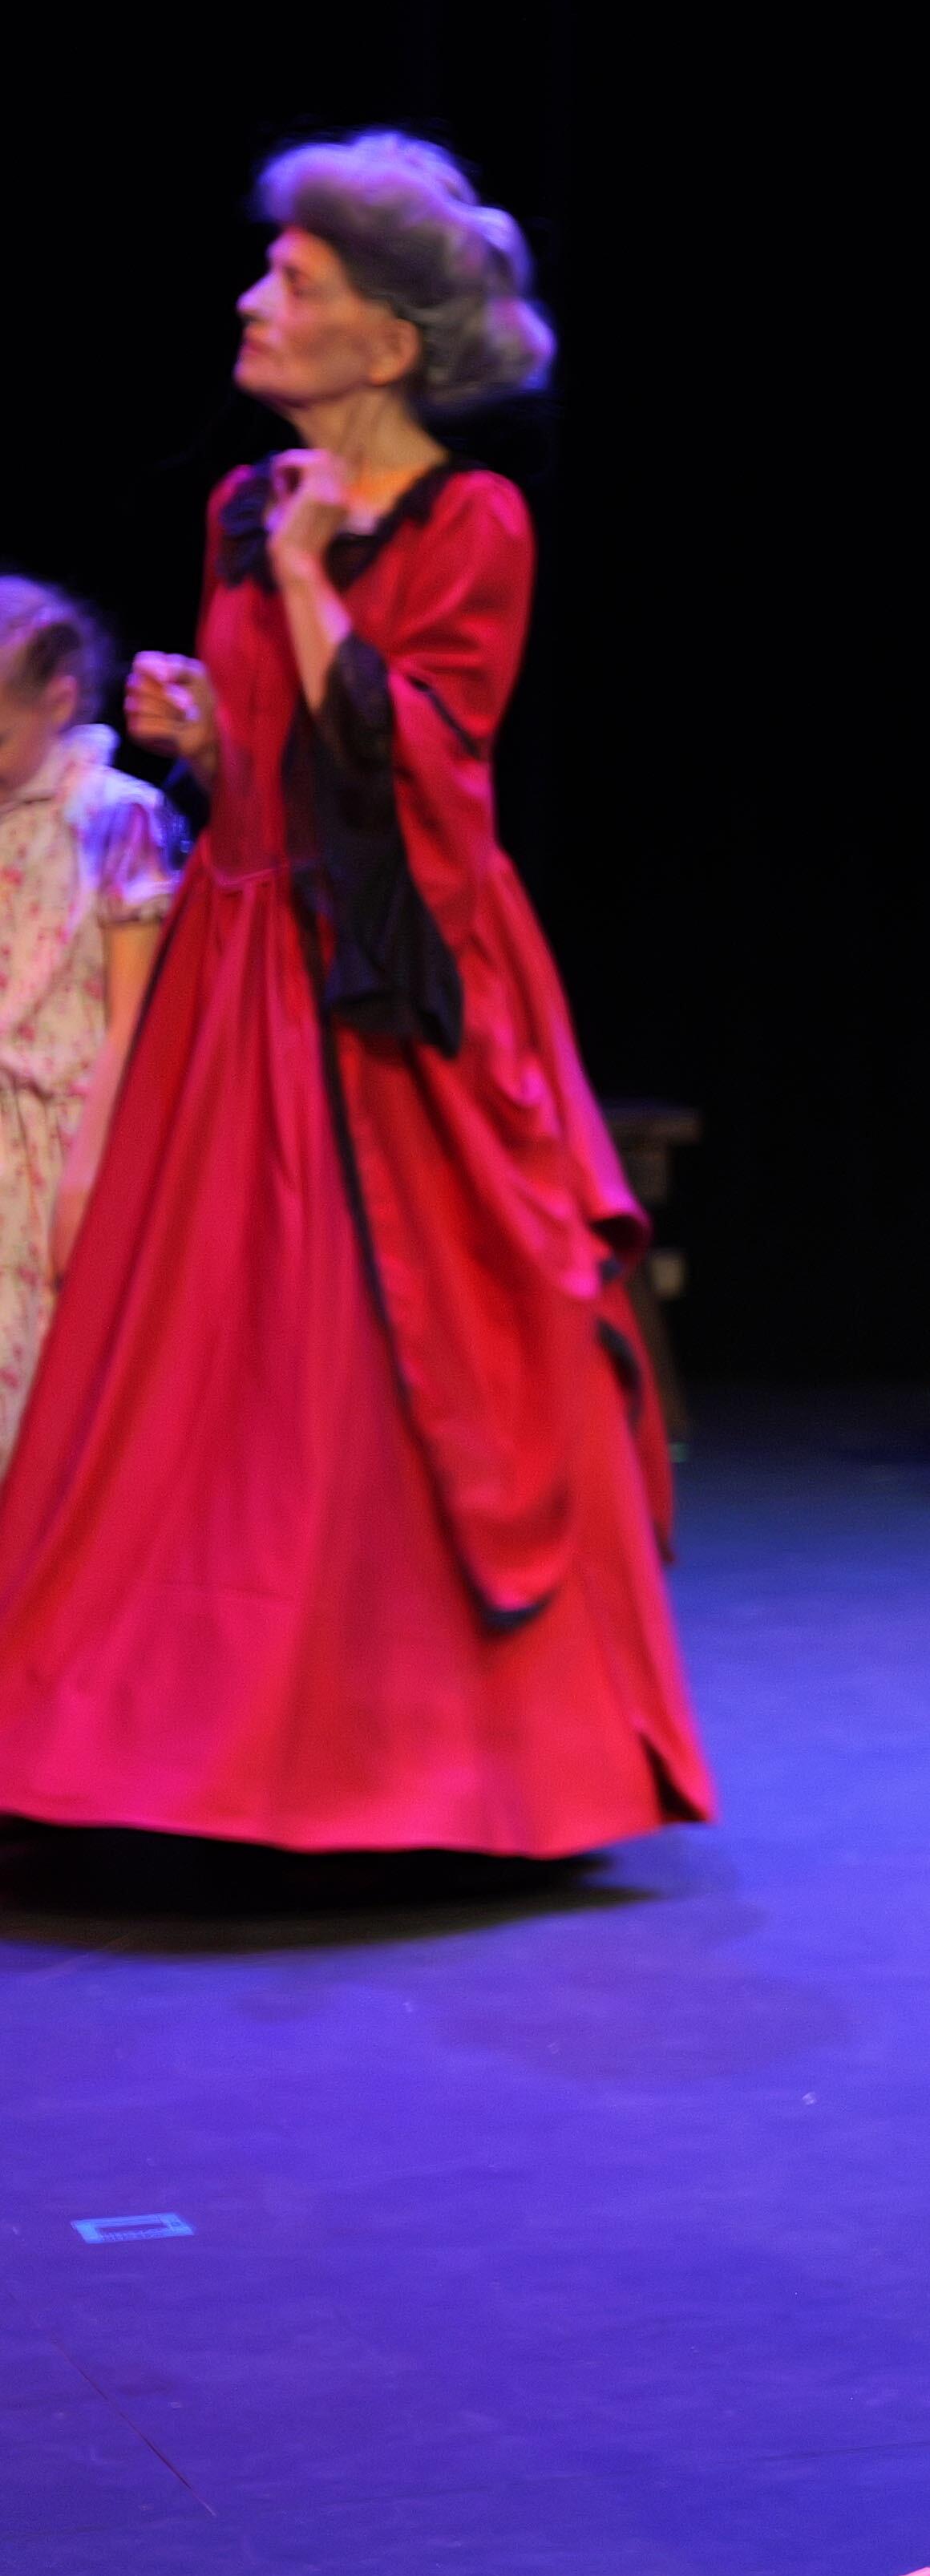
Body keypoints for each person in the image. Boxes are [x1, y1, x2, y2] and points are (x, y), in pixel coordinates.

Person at [0, 136, 710, 1865]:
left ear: (387, 344)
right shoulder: (245, 506)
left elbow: (415, 783)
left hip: (396, 997)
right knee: (207, 1359)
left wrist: (318, 580)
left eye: (296, 283)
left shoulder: (474, 521)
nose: (257, 299)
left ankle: (424, 1768)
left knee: (414, 1341)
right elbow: (277, 773)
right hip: (241, 976)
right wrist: (200, 729)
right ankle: (161, 1751)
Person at [0, 578, 183, 1460]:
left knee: (50, 1415)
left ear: (59, 701)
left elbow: (129, 1026)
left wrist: (85, 1182)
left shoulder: (118, 820)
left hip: (66, 1141)